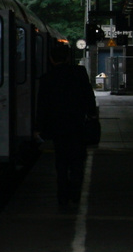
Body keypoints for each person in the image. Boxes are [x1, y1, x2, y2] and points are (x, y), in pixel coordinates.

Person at [37, 41, 98, 213]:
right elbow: (89, 96)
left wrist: (38, 127)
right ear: (68, 57)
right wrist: (92, 115)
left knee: (61, 162)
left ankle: (62, 195)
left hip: (58, 128)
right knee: (77, 161)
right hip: (77, 125)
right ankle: (75, 192)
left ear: (50, 59)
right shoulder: (79, 73)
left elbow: (42, 106)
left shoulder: (47, 79)